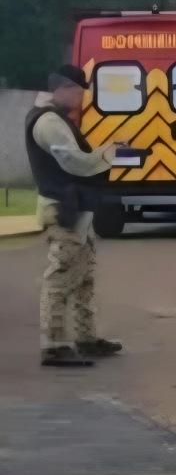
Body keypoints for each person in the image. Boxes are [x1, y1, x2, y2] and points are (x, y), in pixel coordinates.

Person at [25, 65, 124, 367]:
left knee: (83, 278)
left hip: (75, 208)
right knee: (61, 276)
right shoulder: (49, 122)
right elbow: (74, 162)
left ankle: (86, 338)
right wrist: (110, 154)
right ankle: (54, 345)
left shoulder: (54, 118)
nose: (82, 97)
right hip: (63, 210)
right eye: (79, 91)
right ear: (64, 87)